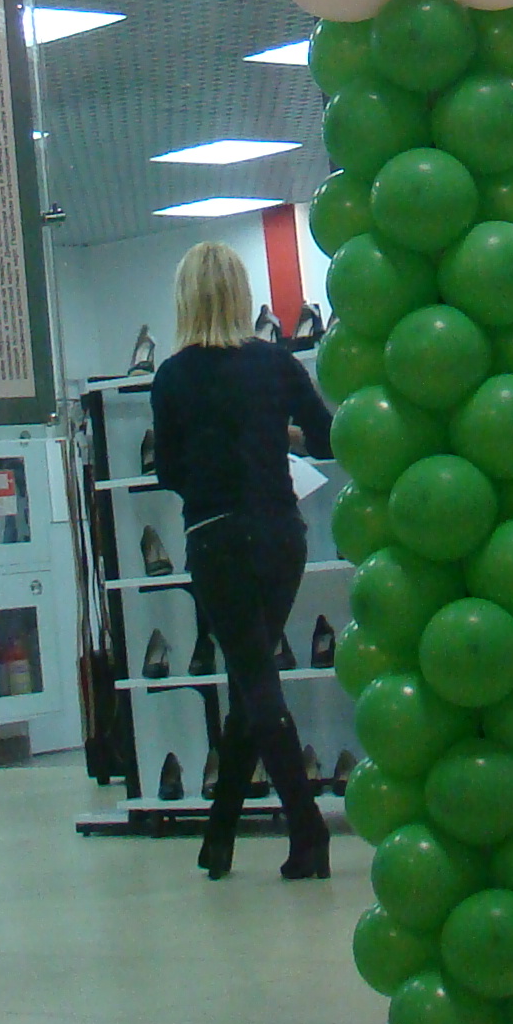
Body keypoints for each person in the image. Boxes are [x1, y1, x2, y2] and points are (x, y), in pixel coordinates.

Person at [148, 242, 332, 879]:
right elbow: (325, 436)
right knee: (250, 681)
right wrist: (279, 436)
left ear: (185, 298)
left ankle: (308, 830)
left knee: (254, 680)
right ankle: (220, 834)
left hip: (217, 537)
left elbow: (168, 471)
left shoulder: (172, 376)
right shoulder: (276, 361)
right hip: (282, 533)